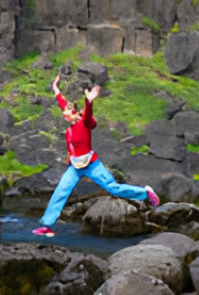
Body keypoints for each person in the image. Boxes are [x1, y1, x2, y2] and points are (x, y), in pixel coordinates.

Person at [33, 73, 159, 237]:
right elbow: (62, 103)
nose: (66, 112)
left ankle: (145, 193)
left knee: (113, 188)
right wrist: (55, 87)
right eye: (66, 111)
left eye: (70, 111)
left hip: (91, 164)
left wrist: (89, 100)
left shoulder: (83, 123)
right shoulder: (70, 126)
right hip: (75, 167)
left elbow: (87, 113)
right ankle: (47, 226)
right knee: (61, 191)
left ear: (77, 114)